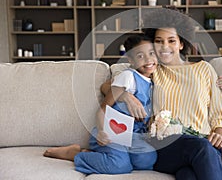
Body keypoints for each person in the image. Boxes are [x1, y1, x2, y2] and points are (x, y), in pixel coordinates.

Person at [102, 8, 222, 180]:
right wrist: (126, 96)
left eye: (171, 41)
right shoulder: (151, 70)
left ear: (181, 43)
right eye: (158, 41)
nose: (165, 47)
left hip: (202, 143)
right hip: (165, 147)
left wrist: (220, 132)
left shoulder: (204, 70)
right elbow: (107, 86)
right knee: (201, 148)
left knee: (188, 175)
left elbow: (219, 112)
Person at [43, 34, 158, 175]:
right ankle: (74, 154)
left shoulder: (153, 81)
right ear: (131, 60)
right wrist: (102, 131)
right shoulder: (128, 77)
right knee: (119, 166)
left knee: (148, 161)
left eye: (151, 53)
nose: (148, 59)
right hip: (112, 132)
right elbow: (103, 109)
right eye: (140, 56)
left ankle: (99, 154)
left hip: (133, 136)